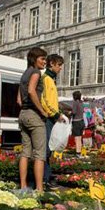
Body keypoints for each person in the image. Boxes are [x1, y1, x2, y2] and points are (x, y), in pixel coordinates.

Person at [17, 47, 48, 192]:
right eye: (42, 59)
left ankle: (23, 186)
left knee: (25, 152)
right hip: (34, 115)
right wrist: (42, 111)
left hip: (23, 114)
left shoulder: (24, 74)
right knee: (39, 154)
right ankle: (39, 189)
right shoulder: (35, 72)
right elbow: (31, 91)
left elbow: (19, 99)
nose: (44, 62)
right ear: (34, 59)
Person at [41, 54, 65, 189]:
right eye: (58, 65)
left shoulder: (50, 79)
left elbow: (51, 101)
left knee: (49, 149)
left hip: (52, 117)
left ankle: (47, 178)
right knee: (46, 149)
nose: (60, 68)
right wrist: (55, 114)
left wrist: (58, 112)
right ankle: (44, 180)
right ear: (51, 64)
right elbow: (45, 101)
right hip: (48, 118)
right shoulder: (46, 79)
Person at [71, 90, 85, 157]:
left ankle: (77, 153)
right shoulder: (81, 102)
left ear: (74, 96)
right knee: (79, 138)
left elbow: (73, 112)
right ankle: (79, 152)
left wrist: (69, 113)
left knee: (77, 138)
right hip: (82, 121)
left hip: (76, 121)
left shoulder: (75, 102)